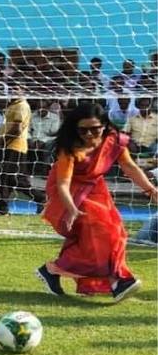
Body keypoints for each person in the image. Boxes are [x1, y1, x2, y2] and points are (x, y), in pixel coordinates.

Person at [36, 103, 158, 301]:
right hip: (69, 192)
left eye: (95, 128)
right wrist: (71, 210)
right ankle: (118, 280)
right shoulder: (69, 148)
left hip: (94, 187)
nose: (90, 134)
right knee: (100, 232)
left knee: (116, 230)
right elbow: (63, 184)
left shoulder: (114, 141)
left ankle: (52, 270)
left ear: (104, 126)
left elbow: (130, 167)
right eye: (83, 129)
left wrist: (151, 190)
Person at [0, 94, 45, 215]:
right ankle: (2, 209)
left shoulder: (22, 106)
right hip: (8, 146)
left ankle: (41, 197)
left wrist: (2, 141)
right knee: (4, 177)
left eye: (16, 88)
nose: (13, 90)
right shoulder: (12, 105)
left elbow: (17, 129)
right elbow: (5, 126)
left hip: (15, 147)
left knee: (14, 179)